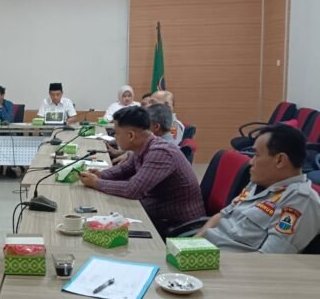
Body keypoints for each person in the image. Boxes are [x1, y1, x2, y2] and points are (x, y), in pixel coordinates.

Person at [79, 106, 205, 235]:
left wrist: (97, 183)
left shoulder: (160, 152)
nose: (115, 137)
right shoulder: (144, 146)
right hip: (157, 209)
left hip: (178, 224)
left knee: (106, 216)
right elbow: (124, 169)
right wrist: (101, 174)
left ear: (131, 135)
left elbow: (133, 190)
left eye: (117, 133)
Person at [197, 124, 320, 253]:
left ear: (280, 160)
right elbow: (222, 215)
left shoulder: (299, 200)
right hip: (202, 252)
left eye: (257, 155)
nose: (251, 161)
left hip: (223, 261)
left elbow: (271, 258)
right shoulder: (260, 182)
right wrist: (193, 244)